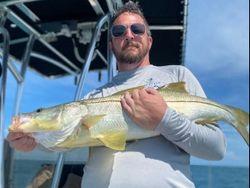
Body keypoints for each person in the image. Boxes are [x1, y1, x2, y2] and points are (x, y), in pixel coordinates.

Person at [7, 1, 226, 187]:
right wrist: (34, 140)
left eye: (137, 29)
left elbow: (216, 149)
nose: (129, 35)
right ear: (111, 44)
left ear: (149, 40)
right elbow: (65, 138)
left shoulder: (178, 76)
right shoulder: (93, 97)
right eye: (119, 32)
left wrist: (164, 119)